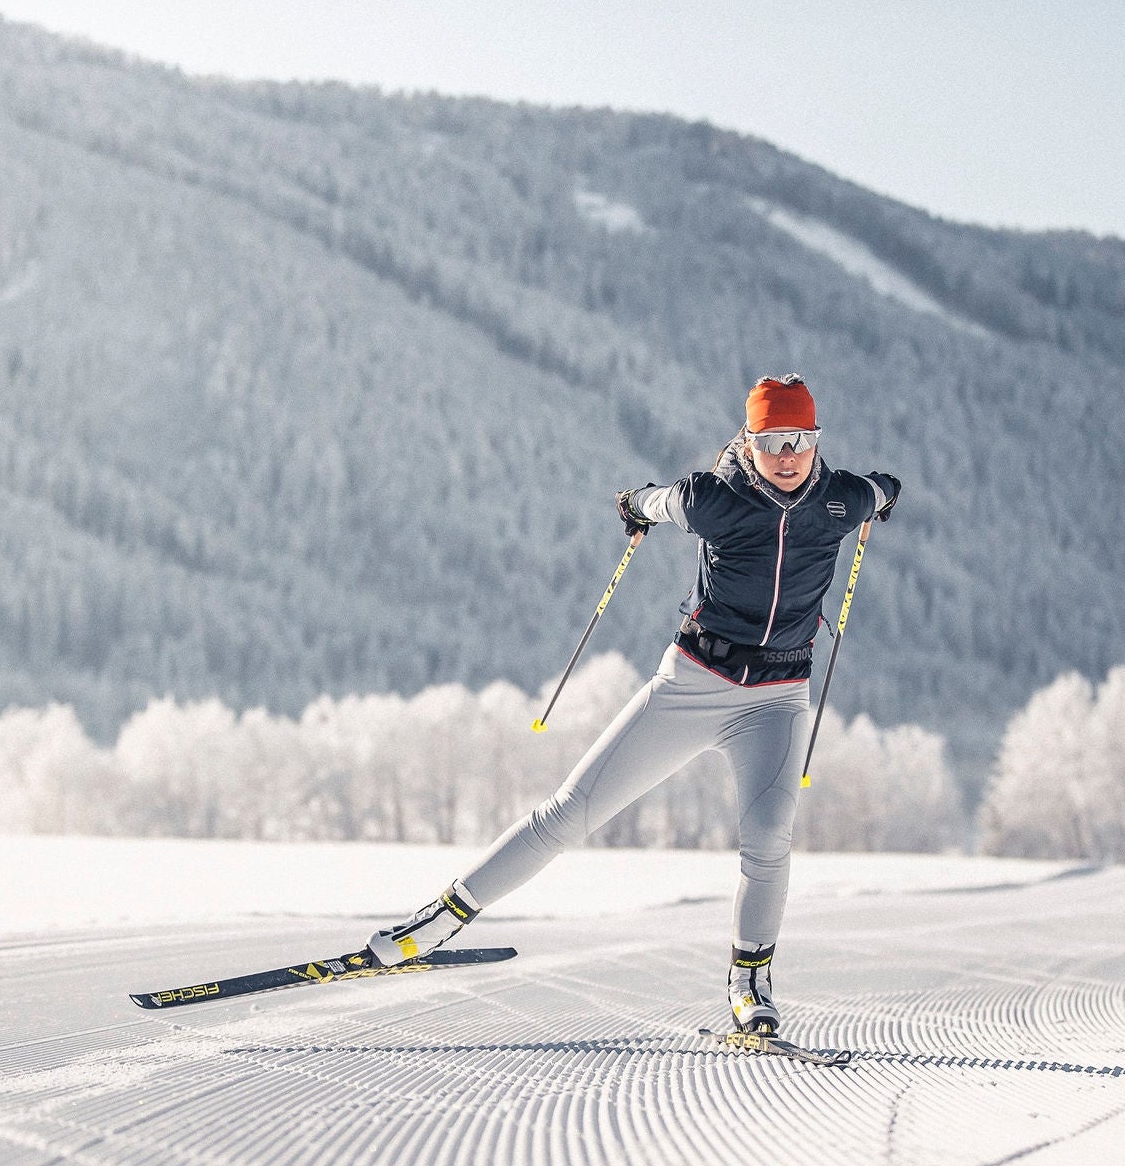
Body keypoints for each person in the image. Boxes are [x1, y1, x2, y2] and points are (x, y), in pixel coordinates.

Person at [365, 374, 899, 1035]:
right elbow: (658, 500)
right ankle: (440, 919)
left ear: (816, 440)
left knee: (768, 838)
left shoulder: (842, 499)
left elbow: (881, 488)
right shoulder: (715, 499)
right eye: (771, 441)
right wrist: (634, 505)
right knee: (571, 811)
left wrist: (884, 495)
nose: (787, 455)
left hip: (778, 700)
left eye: (800, 440)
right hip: (695, 684)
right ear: (750, 441)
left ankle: (750, 980)